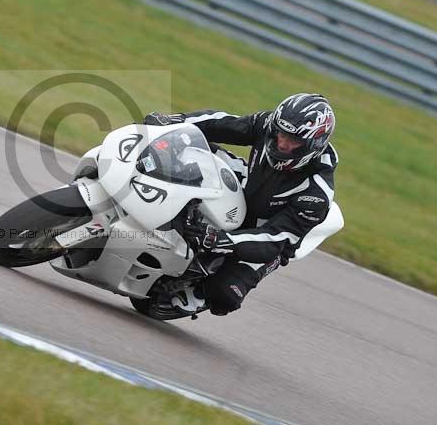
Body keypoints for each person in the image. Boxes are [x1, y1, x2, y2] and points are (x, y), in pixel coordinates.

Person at [143, 93, 338, 316]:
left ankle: (198, 291)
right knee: (185, 148)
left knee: (225, 295)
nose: (282, 143)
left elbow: (275, 240)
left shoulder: (316, 193)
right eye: (281, 134)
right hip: (248, 186)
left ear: (315, 144)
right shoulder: (269, 126)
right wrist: (176, 121)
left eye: (293, 141)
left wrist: (218, 240)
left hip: (268, 235)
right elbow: (223, 123)